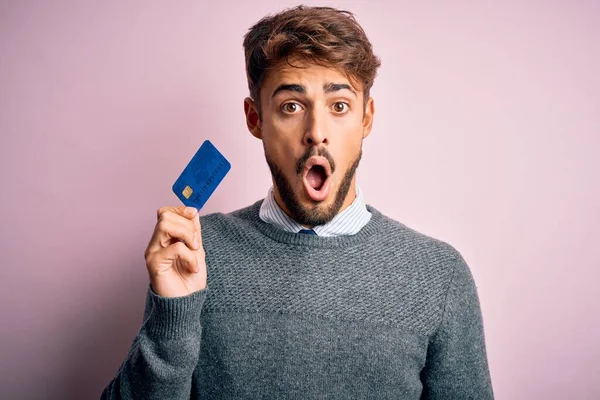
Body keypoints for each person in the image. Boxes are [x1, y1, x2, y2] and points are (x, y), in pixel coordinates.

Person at [101, 6, 494, 399]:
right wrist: (173, 316)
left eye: (339, 106)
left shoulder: (438, 276)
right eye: (292, 106)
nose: (316, 133)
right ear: (255, 119)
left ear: (366, 119)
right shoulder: (198, 255)